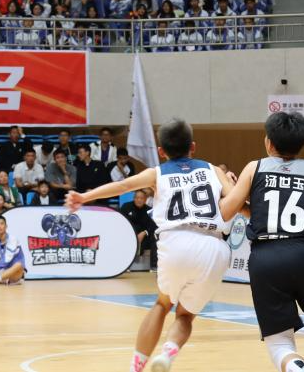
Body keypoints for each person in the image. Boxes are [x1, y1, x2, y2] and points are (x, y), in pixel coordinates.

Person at [67, 118, 235, 372]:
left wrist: (84, 197)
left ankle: (137, 367)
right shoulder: (214, 170)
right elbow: (236, 199)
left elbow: (122, 185)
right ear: (193, 146)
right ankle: (168, 352)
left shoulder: (156, 173)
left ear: (161, 151)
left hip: (176, 242)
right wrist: (232, 183)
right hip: (214, 246)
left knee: (162, 304)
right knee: (185, 315)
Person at [220, 112, 304, 372]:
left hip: (265, 258)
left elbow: (225, 211)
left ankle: (298, 369)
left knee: (280, 343)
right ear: (301, 143)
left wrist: (229, 186)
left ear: (269, 142)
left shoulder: (254, 168)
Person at [119, 189, 158, 270]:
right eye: (137, 198)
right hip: (128, 234)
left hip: (144, 237)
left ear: (145, 199)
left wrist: (144, 233)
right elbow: (120, 221)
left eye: (141, 198)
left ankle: (154, 266)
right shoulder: (126, 207)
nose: (139, 200)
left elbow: (153, 225)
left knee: (155, 237)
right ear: (134, 198)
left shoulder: (149, 210)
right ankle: (123, 266)